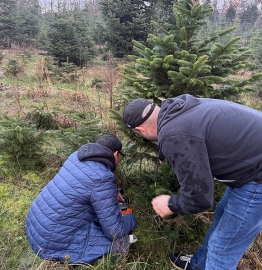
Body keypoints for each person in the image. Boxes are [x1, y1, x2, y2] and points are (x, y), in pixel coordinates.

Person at [123, 94, 262, 270]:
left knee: (222, 249)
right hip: (248, 169)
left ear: (141, 130)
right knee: (221, 213)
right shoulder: (177, 108)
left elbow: (200, 197)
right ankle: (199, 265)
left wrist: (170, 203)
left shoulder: (173, 134)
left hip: (257, 177)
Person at [26, 134, 137, 265]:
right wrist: (131, 218)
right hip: (50, 244)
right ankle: (110, 264)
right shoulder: (103, 177)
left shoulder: (76, 157)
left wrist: (112, 192)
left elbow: (82, 185)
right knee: (121, 239)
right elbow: (114, 229)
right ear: (116, 154)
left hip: (36, 227)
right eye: (121, 156)